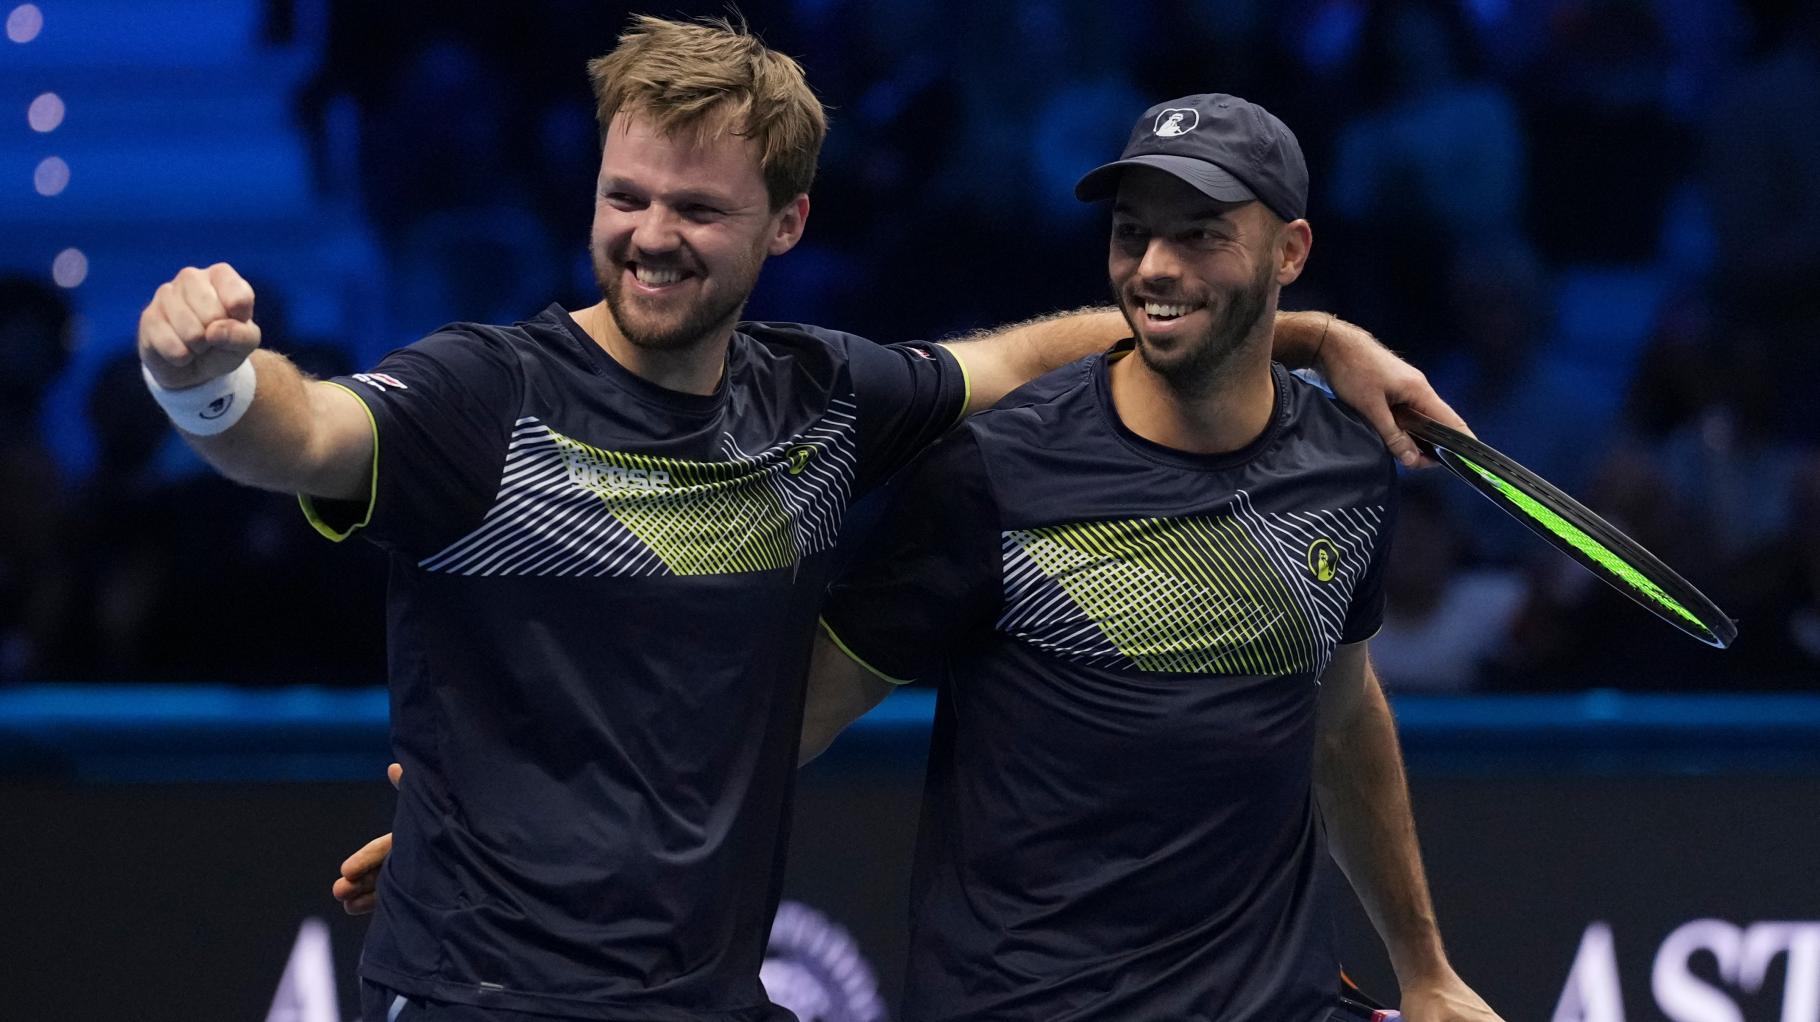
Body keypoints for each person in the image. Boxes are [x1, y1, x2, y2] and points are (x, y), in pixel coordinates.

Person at [140, 18, 1457, 1022]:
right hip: (492, 992)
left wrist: (1310, 333)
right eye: (626, 198)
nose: (652, 236)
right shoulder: (481, 395)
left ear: (788, 222)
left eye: (697, 208)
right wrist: (202, 386)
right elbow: (303, 435)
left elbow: (1016, 358)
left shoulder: (821, 398)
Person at [803, 94, 1503, 1021]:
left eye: (1202, 235)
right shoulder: (995, 474)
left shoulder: (1345, 466)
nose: (1156, 268)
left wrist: (1427, 972)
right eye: (1133, 234)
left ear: (1291, 252)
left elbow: (1338, 717)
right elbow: (799, 719)